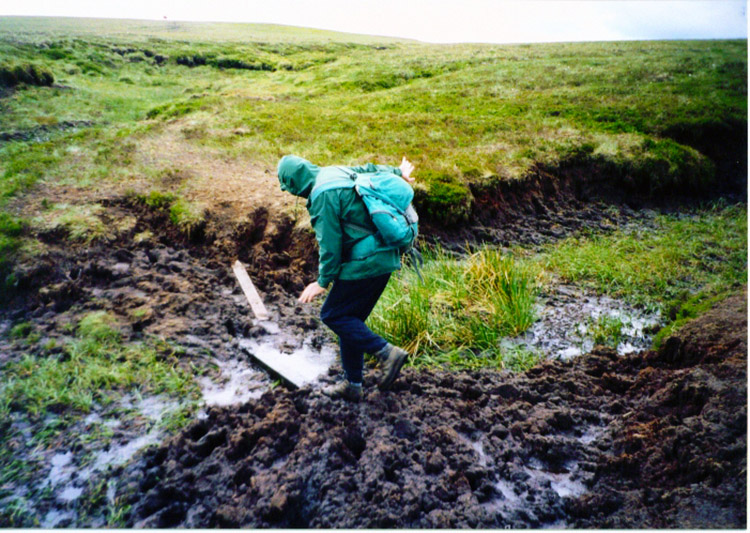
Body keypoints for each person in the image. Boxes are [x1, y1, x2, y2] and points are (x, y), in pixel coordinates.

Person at [277, 155, 415, 402]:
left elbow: (330, 244)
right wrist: (397, 171)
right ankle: (353, 385)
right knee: (351, 321)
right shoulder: (333, 171)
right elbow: (367, 168)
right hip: (384, 257)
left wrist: (322, 282)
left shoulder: (321, 196)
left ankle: (386, 353)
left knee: (333, 315)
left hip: (366, 261)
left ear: (294, 183)